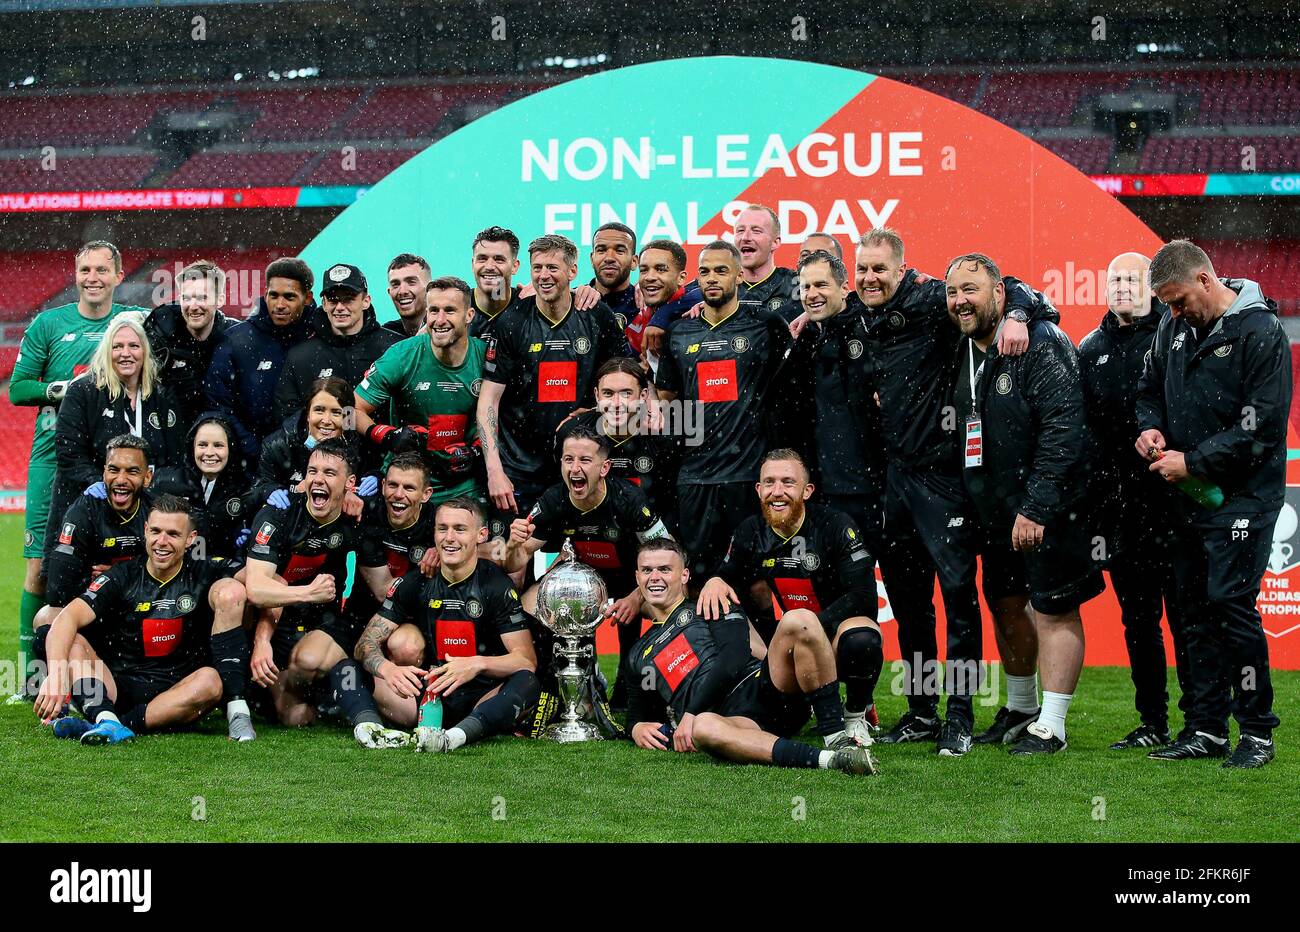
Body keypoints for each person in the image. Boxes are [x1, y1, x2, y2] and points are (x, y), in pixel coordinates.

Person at [842, 228, 1040, 750]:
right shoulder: (857, 312)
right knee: (909, 605)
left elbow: (1015, 288)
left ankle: (960, 715)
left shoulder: (934, 298)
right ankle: (922, 712)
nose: (869, 278)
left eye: (879, 269)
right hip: (894, 481)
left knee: (958, 601)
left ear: (902, 270)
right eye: (862, 269)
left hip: (944, 480)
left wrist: (1019, 314)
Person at [1136, 239, 1291, 769]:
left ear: (1206, 280)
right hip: (1185, 497)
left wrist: (1194, 461)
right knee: (1192, 612)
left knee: (1231, 608)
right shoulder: (1172, 326)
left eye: (1179, 301)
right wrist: (1149, 426)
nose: (1174, 313)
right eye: (1167, 305)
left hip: (1244, 497)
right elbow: (1149, 387)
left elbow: (1262, 427)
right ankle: (1205, 728)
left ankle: (1256, 733)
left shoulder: (1260, 331)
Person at [948, 252, 1103, 756]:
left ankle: (1053, 725)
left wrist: (1036, 506)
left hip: (1048, 506)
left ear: (1000, 294)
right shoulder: (965, 346)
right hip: (993, 510)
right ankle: (1020, 708)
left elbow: (1064, 430)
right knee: (1007, 603)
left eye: (971, 289)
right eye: (952, 292)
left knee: (1054, 609)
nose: (959, 301)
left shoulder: (1039, 341)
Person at [8, 241, 145, 685]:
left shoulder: (134, 322)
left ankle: (117, 665)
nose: (93, 277)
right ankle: (32, 676)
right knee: (40, 566)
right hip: (54, 458)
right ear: (75, 273)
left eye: (102, 270)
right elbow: (19, 388)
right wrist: (64, 388)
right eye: (85, 269)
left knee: (127, 561)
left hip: (118, 464)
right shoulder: (50, 323)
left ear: (118, 275)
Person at [624, 538, 876, 775]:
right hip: (732, 720)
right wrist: (637, 727)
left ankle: (836, 737)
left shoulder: (710, 602)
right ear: (637, 577)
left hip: (765, 688)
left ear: (684, 575)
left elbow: (735, 656)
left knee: (799, 619)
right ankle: (832, 760)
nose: (655, 577)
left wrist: (690, 712)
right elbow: (638, 711)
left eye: (665, 569)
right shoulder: (638, 653)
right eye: (646, 570)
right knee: (704, 728)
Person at [697, 449, 882, 747]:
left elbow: (863, 597)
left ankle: (855, 714)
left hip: (832, 636)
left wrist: (810, 629)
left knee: (863, 639)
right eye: (769, 483)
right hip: (785, 646)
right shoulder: (750, 530)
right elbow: (728, 573)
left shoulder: (836, 526)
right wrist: (716, 580)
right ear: (758, 490)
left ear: (807, 490)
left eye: (787, 482)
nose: (777, 492)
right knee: (746, 590)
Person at [35, 495, 254, 743]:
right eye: (156, 531)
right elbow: (67, 617)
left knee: (212, 681)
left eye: (173, 534)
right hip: (115, 685)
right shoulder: (122, 574)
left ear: (190, 539)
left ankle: (109, 723)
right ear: (146, 531)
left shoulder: (206, 571)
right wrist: (56, 674)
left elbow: (258, 580)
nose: (162, 542)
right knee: (68, 637)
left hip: (176, 690)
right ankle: (106, 716)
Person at [1079, 251, 1186, 750]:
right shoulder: (1089, 347)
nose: (1122, 286)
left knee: (1187, 617)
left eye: (1132, 278)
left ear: (1152, 285)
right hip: (1120, 511)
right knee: (1139, 621)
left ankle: (1200, 721)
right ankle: (1152, 723)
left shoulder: (1176, 337)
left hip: (1175, 502)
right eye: (1114, 278)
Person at [344, 497, 541, 752]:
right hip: (425, 696)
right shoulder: (415, 583)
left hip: (480, 698)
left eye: (459, 529)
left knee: (527, 683)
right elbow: (364, 645)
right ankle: (369, 728)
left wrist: (477, 663)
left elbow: (526, 661)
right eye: (442, 528)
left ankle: (454, 738)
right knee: (345, 668)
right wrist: (387, 669)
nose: (449, 538)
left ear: (481, 535)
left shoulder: (496, 586)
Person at [500, 426, 671, 706]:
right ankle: (569, 678)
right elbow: (512, 564)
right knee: (530, 605)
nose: (575, 468)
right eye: (568, 460)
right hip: (583, 585)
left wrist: (636, 595)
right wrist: (513, 545)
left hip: (635, 582)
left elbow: (669, 556)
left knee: (668, 602)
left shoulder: (628, 500)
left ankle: (645, 686)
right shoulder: (553, 500)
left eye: (584, 461)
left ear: (604, 468)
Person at [653, 239, 793, 582]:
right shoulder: (680, 332)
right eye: (705, 272)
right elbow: (668, 399)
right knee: (698, 582)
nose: (712, 278)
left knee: (755, 583)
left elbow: (788, 388)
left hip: (747, 476)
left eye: (721, 270)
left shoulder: (765, 324)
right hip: (695, 477)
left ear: (738, 277)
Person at [476, 233, 630, 540]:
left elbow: (627, 375)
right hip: (518, 466)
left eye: (552, 268)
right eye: (537, 268)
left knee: (583, 559)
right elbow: (488, 400)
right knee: (513, 561)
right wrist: (494, 470)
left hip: (576, 466)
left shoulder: (595, 314)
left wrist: (598, 409)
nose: (543, 276)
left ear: (572, 272)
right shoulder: (511, 321)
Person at [46, 312, 182, 575]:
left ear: (145, 350)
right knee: (67, 597)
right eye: (117, 346)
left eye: (133, 346)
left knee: (139, 586)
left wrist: (147, 489)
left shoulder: (162, 396)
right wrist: (105, 484)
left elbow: (175, 460)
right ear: (106, 352)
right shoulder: (84, 392)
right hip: (91, 511)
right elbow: (68, 452)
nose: (125, 353)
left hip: (146, 516)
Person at [244, 438, 366, 726]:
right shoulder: (279, 514)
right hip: (276, 616)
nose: (318, 480)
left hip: (326, 622)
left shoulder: (358, 519)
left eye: (329, 473)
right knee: (294, 717)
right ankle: (242, 695)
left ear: (350, 483)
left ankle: (333, 690)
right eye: (312, 472)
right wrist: (308, 594)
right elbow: (257, 588)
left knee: (306, 676)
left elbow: (381, 584)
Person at [31, 436, 153, 690]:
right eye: (113, 470)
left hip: (147, 612)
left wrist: (116, 576)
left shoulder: (158, 512)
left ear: (147, 477)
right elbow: (58, 589)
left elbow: (177, 575)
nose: (121, 480)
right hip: (100, 614)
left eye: (132, 471)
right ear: (103, 473)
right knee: (46, 617)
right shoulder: (83, 511)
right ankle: (63, 685)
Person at [355, 276, 488, 505]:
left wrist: (476, 452)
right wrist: (387, 436)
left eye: (450, 310)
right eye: (434, 310)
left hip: (463, 491)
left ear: (469, 316)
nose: (440, 320)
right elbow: (348, 411)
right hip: (404, 489)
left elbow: (501, 418)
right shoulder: (402, 355)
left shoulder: (485, 357)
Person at [789, 249, 885, 556]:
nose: (812, 295)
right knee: (834, 591)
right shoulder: (803, 340)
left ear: (845, 288)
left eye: (821, 285)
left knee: (899, 592)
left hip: (874, 491)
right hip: (822, 492)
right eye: (806, 287)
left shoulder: (871, 326)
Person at [204, 257, 320, 467]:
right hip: (248, 463)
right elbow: (219, 404)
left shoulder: (322, 338)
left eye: (289, 297)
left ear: (308, 298)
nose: (280, 305)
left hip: (312, 460)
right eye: (273, 295)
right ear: (265, 294)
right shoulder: (236, 341)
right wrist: (252, 448)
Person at [555, 357, 681, 531]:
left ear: (643, 395)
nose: (616, 403)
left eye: (626, 393)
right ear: (597, 395)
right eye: (608, 393)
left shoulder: (665, 435)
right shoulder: (572, 433)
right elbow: (560, 493)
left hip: (650, 535)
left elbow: (672, 502)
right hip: (593, 534)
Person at [273, 263, 401, 423]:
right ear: (324, 303)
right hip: (320, 447)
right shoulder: (300, 356)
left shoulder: (395, 348)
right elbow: (288, 417)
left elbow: (411, 409)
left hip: (382, 446)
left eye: (348, 299)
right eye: (333, 300)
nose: (340, 307)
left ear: (366, 301)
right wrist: (319, 446)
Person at [254, 376, 377, 516]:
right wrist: (270, 490)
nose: (326, 420)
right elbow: (258, 487)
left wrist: (375, 477)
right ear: (307, 414)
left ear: (347, 417)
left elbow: (376, 470)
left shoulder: (360, 444)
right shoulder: (277, 445)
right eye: (319, 410)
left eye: (336, 412)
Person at [150, 413, 257, 561]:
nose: (209, 453)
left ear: (231, 448)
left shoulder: (244, 487)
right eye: (202, 445)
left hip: (220, 571)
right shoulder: (164, 481)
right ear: (191, 446)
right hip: (174, 569)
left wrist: (244, 541)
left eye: (218, 445)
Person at [145, 260, 237, 429]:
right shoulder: (160, 333)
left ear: (220, 299)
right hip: (170, 434)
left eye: (202, 297)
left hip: (220, 440)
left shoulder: (236, 338)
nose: (193, 306)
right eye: (186, 298)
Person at [587, 221, 641, 340]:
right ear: (592, 259)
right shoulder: (572, 301)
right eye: (601, 250)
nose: (609, 258)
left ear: (634, 262)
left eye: (619, 250)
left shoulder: (644, 304)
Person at [468, 226, 524, 340]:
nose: (489, 267)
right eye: (482, 258)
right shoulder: (457, 307)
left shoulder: (528, 306)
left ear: (515, 266)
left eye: (499, 259)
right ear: (473, 264)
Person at [383, 253, 431, 337]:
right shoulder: (385, 336)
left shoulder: (447, 333)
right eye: (395, 284)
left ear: (430, 289)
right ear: (389, 292)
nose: (402, 291)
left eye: (411, 282)